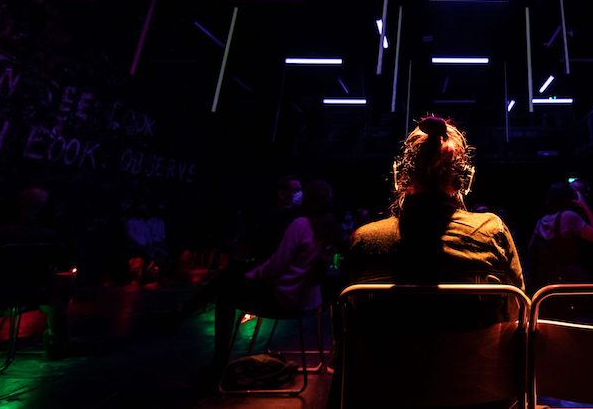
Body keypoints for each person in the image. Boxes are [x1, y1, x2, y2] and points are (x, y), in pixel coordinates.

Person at [179, 179, 339, 388]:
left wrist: (253, 275)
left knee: (226, 291)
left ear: (307, 199)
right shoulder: (329, 228)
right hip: (308, 301)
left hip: (285, 299)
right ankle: (182, 314)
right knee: (230, 278)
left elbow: (277, 266)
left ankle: (217, 363)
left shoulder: (301, 225)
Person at [347, 116, 523, 288]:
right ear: (464, 180)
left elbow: (344, 305)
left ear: (400, 177)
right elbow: (518, 303)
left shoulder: (363, 241)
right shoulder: (492, 232)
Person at [528, 181, 593, 291]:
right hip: (569, 279)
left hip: (547, 280)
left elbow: (531, 250)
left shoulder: (541, 221)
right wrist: (585, 206)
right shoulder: (569, 217)